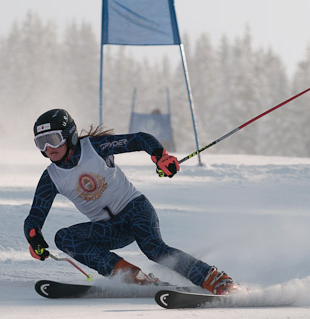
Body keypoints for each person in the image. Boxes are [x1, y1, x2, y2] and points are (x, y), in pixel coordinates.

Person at [23, 109, 235, 295]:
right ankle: (130, 276)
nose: (49, 147)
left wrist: (160, 156)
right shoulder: (51, 177)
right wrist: (34, 239)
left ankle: (214, 278)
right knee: (64, 238)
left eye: (54, 139)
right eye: (41, 143)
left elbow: (140, 139)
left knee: (154, 249)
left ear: (70, 136)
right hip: (109, 229)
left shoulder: (95, 147)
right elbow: (35, 216)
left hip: (135, 210)